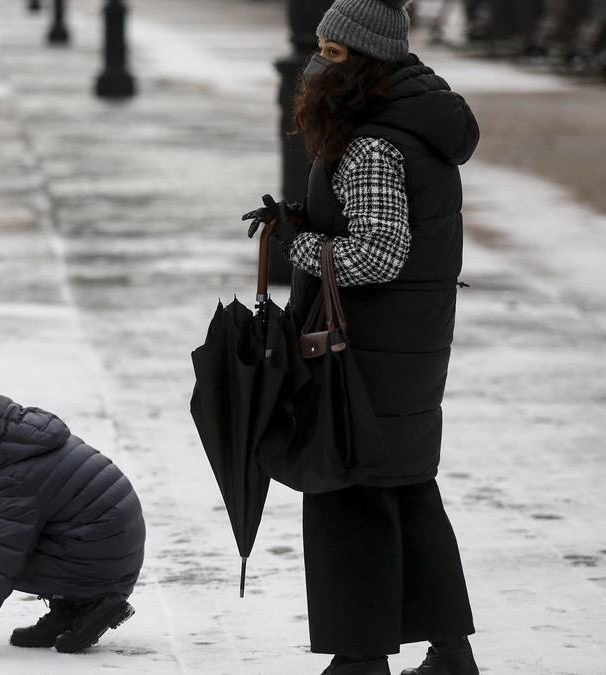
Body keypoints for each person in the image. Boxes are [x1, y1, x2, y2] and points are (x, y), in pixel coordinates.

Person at [251, 1, 481, 673]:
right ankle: (450, 653)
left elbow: (380, 252)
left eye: (333, 53)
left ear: (366, 63)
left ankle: (359, 659)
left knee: (345, 493)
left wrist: (305, 246)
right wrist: (303, 213)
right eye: (317, 48)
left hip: (366, 355)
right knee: (407, 489)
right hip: (402, 349)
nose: (318, 64)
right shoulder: (411, 122)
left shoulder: (375, 141)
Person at [0, 372, 145, 655]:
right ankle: (69, 607)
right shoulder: (21, 442)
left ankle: (97, 604)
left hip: (106, 558)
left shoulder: (17, 475)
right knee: (5, 533)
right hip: (109, 545)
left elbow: (0, 561)